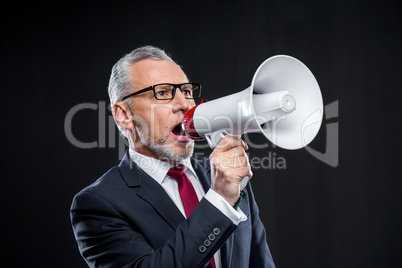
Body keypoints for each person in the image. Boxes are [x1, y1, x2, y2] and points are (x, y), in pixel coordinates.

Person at [70, 45, 275, 268]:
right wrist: (220, 201)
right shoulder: (98, 204)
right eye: (163, 93)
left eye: (187, 92)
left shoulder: (226, 179)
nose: (185, 105)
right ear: (124, 115)